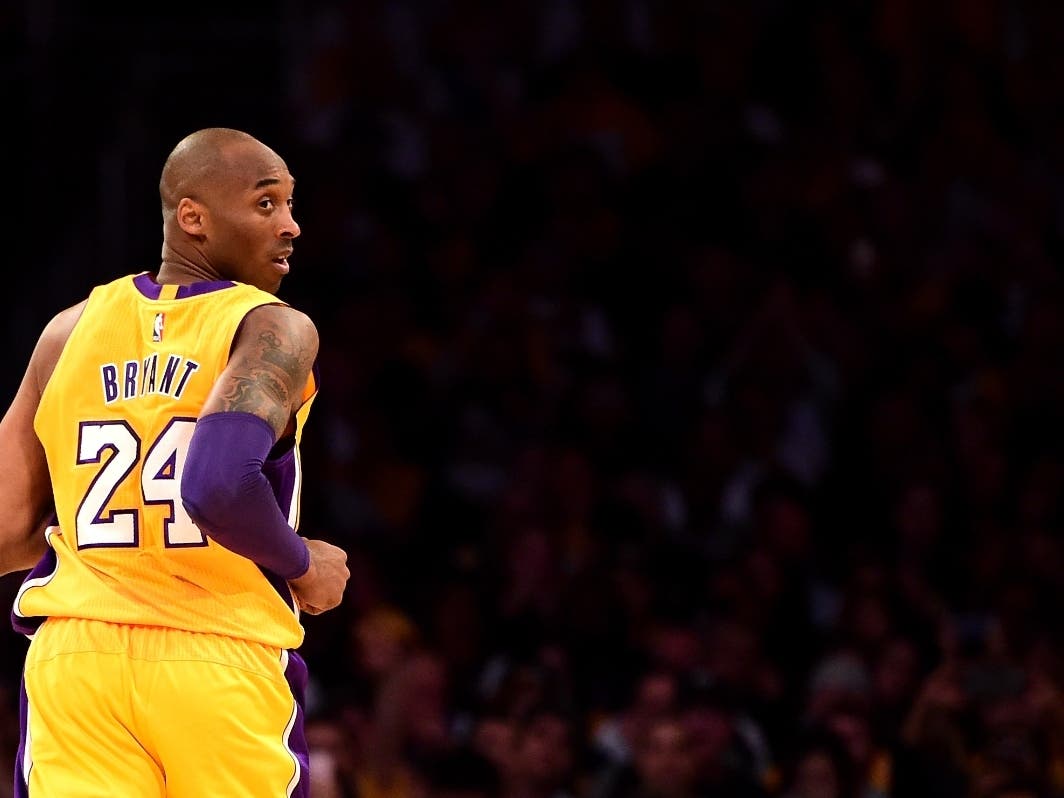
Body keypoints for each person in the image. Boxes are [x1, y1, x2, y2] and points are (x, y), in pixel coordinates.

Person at [0, 127, 350, 796]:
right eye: (267, 204)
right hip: (215, 657)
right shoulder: (271, 326)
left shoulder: (66, 332)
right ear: (192, 217)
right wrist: (305, 564)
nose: (292, 226)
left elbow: (5, 531)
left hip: (77, 661)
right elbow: (218, 485)